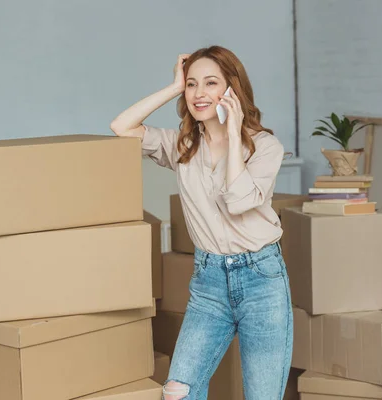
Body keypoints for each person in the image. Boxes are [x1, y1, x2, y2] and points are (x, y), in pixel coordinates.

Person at [109, 46, 293, 400]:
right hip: (208, 284)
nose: (199, 93)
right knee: (177, 391)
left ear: (232, 90)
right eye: (192, 85)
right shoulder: (183, 145)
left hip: (262, 282)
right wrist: (173, 87)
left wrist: (236, 130)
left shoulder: (265, 147)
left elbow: (239, 202)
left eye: (211, 83)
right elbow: (121, 127)